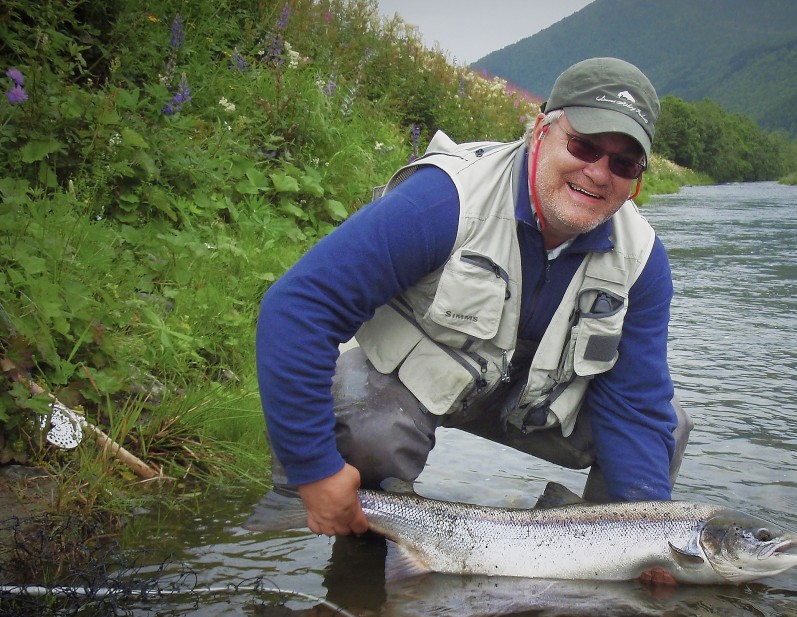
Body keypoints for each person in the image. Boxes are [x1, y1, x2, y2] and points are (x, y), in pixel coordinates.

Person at [253, 58, 694, 579]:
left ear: (637, 178)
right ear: (541, 130)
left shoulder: (641, 260)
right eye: (584, 146)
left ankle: (597, 584)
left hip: (537, 407)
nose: (599, 172)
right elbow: (298, 309)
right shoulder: (445, 200)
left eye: (623, 164)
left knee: (668, 425)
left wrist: (650, 541)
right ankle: (363, 566)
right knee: (365, 426)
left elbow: (636, 407)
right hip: (417, 388)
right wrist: (313, 469)